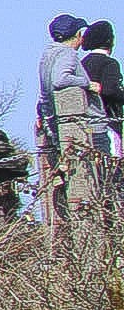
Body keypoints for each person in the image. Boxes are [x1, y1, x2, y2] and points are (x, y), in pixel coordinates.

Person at [38, 14, 92, 229]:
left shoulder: (47, 55)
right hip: (67, 127)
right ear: (77, 35)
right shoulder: (68, 54)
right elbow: (61, 80)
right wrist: (86, 83)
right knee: (77, 174)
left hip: (51, 121)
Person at [87, 20, 124, 212]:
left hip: (86, 128)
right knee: (115, 176)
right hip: (108, 125)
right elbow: (111, 91)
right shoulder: (109, 63)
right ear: (110, 41)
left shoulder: (82, 64)